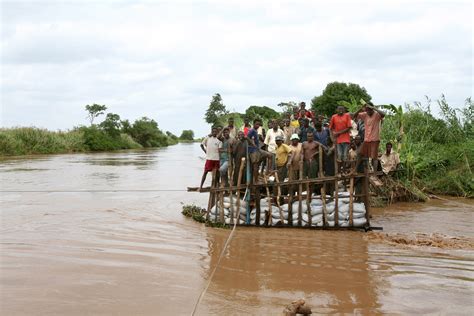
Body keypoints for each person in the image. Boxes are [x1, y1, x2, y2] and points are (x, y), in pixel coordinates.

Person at [354, 102, 385, 172]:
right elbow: (354, 116)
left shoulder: (377, 115)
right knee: (360, 154)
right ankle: (355, 170)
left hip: (375, 139)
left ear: (372, 109)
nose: (368, 111)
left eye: (369, 110)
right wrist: (360, 108)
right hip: (366, 139)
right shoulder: (365, 114)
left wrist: (373, 107)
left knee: (374, 157)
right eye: (367, 110)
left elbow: (383, 114)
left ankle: (374, 174)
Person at [329, 105, 352, 173]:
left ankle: (344, 171)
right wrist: (332, 137)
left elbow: (349, 127)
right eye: (339, 109)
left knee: (345, 156)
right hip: (338, 139)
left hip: (346, 139)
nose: (340, 110)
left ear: (344, 110)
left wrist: (338, 132)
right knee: (339, 156)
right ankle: (339, 171)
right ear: (337, 110)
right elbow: (330, 128)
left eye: (342, 109)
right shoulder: (334, 116)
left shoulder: (347, 116)